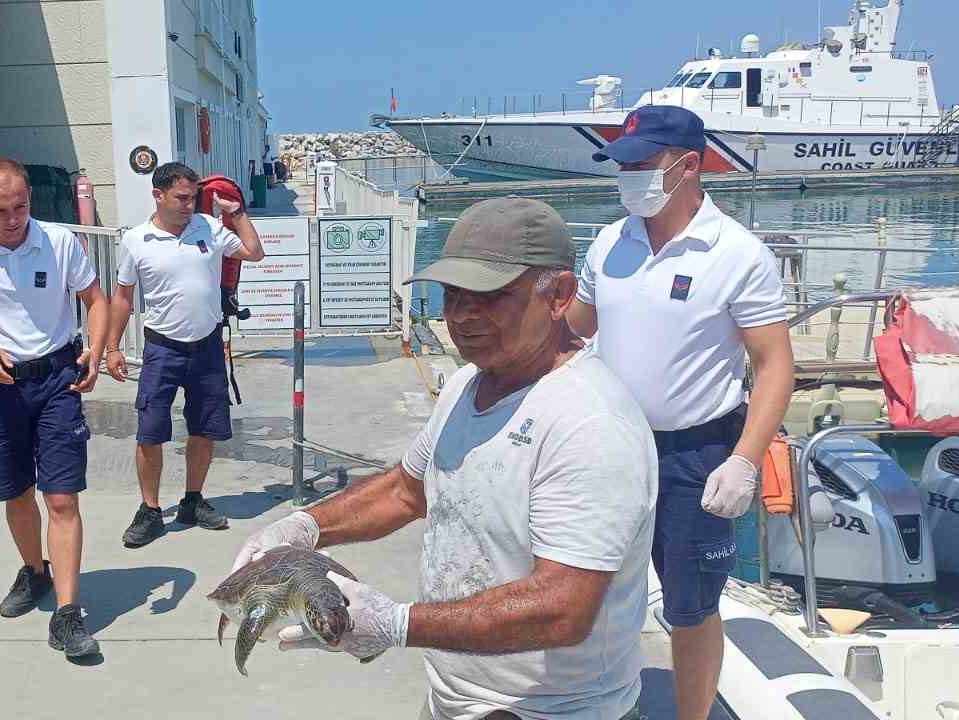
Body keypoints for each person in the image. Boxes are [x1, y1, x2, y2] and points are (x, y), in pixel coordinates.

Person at [233, 198, 657, 720]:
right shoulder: (468, 382)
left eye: (491, 297)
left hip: (553, 710)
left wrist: (399, 624)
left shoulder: (590, 423)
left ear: (561, 295)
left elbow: (564, 607)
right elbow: (406, 491)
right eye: (453, 295)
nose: (462, 316)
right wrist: (303, 528)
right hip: (455, 695)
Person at [567, 105, 795, 720]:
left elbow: (774, 366)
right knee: (591, 590)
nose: (628, 176)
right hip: (608, 450)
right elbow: (572, 331)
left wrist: (744, 462)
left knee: (691, 605)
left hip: (697, 455)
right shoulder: (610, 241)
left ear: (688, 166)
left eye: (641, 164)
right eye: (623, 165)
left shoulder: (738, 254)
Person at [0, 157, 110, 658]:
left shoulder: (58, 242)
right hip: (0, 385)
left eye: (21, 206)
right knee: (16, 493)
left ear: (30, 198)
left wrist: (94, 352)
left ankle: (68, 615)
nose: (13, 218)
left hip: (57, 379)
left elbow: (95, 300)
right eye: (0, 210)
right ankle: (35, 572)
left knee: (61, 499)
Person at [104, 162, 265, 548]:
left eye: (193, 197)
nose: (189, 205)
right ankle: (150, 510)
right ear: (158, 195)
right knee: (150, 432)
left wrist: (236, 213)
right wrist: (111, 348)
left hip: (207, 347)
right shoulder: (137, 241)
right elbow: (123, 298)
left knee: (205, 428)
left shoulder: (208, 228)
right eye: (181, 197)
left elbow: (254, 252)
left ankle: (194, 500)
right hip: (162, 350)